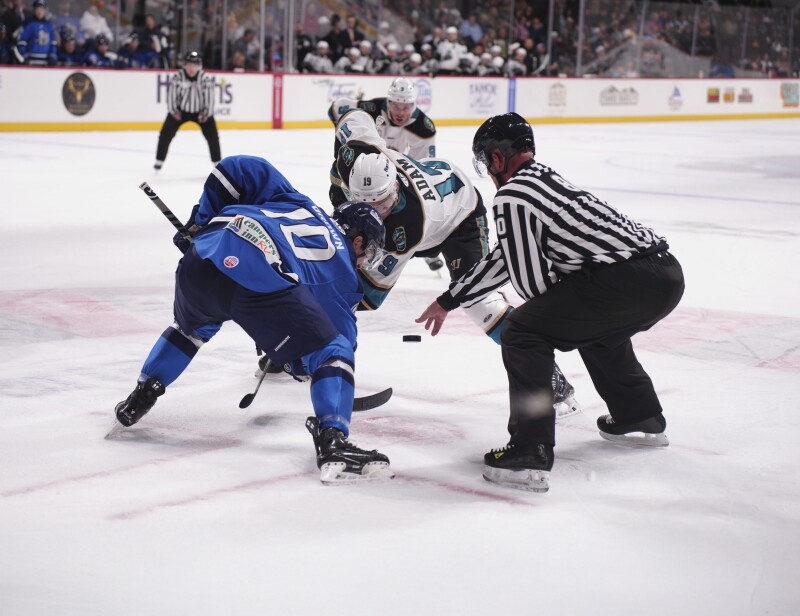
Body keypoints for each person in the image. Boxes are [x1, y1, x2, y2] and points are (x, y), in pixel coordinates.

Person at [416, 113, 685, 493]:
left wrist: (538, 316)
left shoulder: (512, 195)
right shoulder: (544, 179)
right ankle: (639, 417)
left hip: (623, 279)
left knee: (524, 332)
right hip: (664, 274)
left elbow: (527, 280)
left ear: (496, 159)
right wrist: (450, 299)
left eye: (486, 161)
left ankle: (530, 449)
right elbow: (506, 257)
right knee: (599, 332)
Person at [113, 155, 394, 485]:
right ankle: (334, 443)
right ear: (358, 240)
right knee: (333, 351)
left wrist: (199, 224)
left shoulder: (296, 201)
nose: (363, 262)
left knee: (191, 329)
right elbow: (334, 348)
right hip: (254, 279)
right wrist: (298, 364)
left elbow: (237, 169)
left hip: (201, 259)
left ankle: (141, 395)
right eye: (367, 252)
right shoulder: (345, 275)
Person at [312, 104, 581, 421]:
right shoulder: (359, 156)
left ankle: (552, 379)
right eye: (364, 203)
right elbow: (353, 117)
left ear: (394, 187)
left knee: (479, 301)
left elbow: (368, 297)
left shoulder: (406, 227)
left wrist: (315, 318)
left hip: (459, 218)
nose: (375, 211)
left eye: (382, 203)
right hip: (435, 177)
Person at [327, 78, 443, 272]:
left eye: (406, 106)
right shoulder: (370, 108)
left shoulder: (423, 128)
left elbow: (420, 166)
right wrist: (344, 142)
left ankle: (423, 249)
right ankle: (346, 243)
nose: (400, 112)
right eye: (396, 105)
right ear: (388, 102)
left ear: (414, 105)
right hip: (358, 170)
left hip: (389, 176)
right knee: (345, 206)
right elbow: (337, 108)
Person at [154, 51, 220, 171]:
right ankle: (159, 160)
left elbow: (210, 99)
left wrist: (206, 113)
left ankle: (217, 162)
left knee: (213, 136)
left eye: (194, 65)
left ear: (199, 66)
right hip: (180, 112)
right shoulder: (177, 77)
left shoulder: (205, 79)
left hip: (201, 112)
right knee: (165, 134)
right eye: (189, 65)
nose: (191, 68)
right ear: (184, 65)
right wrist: (174, 111)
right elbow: (171, 96)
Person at [15, 0, 57, 66]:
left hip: (46, 62)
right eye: (38, 9)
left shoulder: (49, 26)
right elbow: (21, 42)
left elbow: (53, 43)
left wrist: (52, 55)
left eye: (42, 9)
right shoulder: (28, 25)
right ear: (34, 10)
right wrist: (24, 55)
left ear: (45, 10)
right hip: (31, 61)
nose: (40, 11)